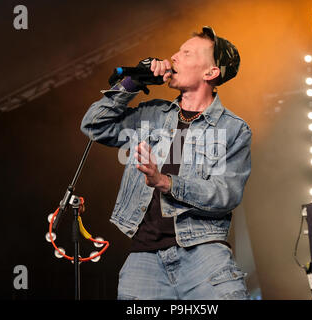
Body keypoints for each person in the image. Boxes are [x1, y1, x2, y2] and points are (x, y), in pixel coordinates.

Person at [81, 26, 252, 300]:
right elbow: (94, 125)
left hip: (203, 252)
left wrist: (165, 182)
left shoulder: (233, 129)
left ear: (210, 73)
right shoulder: (152, 114)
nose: (174, 56)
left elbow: (225, 194)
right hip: (144, 259)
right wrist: (132, 82)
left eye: (187, 53)